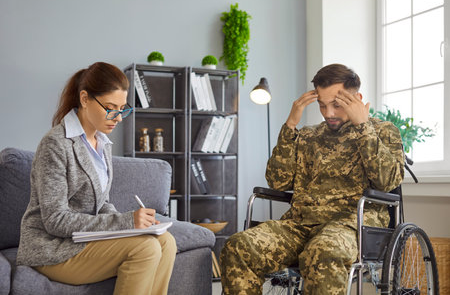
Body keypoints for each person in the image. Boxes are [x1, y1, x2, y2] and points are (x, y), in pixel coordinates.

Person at [220, 64, 404, 295]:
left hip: (352, 225)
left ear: (357, 98)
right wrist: (290, 126)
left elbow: (388, 182)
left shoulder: (383, 130)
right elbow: (277, 182)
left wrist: (363, 127)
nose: (328, 113)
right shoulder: (308, 135)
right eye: (322, 105)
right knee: (238, 246)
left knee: (322, 251)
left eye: (337, 105)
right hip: (299, 224)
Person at [16, 62, 177, 295]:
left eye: (123, 108)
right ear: (84, 99)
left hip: (85, 240)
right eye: (111, 108)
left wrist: (131, 226)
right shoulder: (56, 144)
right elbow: (55, 220)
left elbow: (101, 203)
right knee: (146, 248)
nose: (119, 118)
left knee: (166, 242)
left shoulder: (102, 142)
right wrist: (125, 222)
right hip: (53, 248)